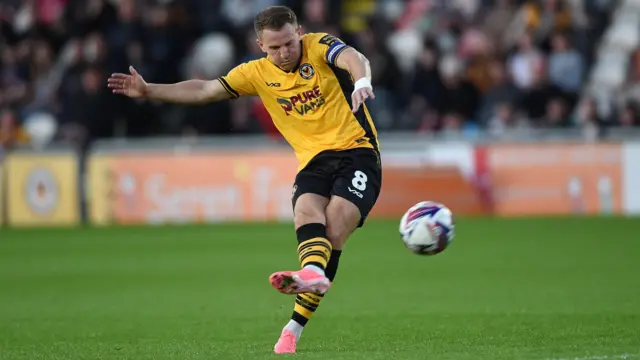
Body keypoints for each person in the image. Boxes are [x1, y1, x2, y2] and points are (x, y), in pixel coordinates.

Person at [107, 5, 382, 354]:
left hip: (357, 151)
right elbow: (205, 90)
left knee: (335, 227)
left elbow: (354, 58)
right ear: (260, 46)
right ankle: (309, 282)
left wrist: (361, 81)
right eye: (274, 48)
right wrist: (149, 91)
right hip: (313, 160)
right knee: (306, 211)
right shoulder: (255, 73)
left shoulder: (319, 46)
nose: (284, 53)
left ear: (299, 33)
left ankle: (295, 321)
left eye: (288, 43)